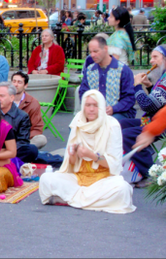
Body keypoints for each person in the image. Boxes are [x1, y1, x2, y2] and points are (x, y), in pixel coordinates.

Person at [39, 90, 136, 214]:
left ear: (101, 107)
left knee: (122, 189)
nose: (91, 109)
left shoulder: (112, 125)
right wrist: (73, 154)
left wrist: (92, 156)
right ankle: (89, 201)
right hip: (78, 179)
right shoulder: (78, 122)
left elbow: (115, 165)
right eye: (88, 105)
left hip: (102, 180)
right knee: (46, 179)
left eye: (95, 105)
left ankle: (69, 200)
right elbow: (71, 164)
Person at [119, 45, 166, 187]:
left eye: (155, 57)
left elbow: (147, 105)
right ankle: (137, 164)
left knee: (126, 134)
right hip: (154, 119)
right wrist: (150, 86)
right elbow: (159, 102)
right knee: (119, 125)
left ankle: (150, 173)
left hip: (160, 123)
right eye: (151, 57)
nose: (151, 60)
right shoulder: (162, 77)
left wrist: (137, 86)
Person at [79, 37, 136, 121]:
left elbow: (129, 97)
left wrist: (114, 108)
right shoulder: (89, 70)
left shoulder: (123, 70)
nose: (92, 55)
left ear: (105, 49)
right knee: (76, 126)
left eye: (95, 51)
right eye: (90, 52)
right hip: (94, 112)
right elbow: (83, 93)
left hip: (119, 112)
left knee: (108, 125)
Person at [0, 82, 38, 163]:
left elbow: (22, 141)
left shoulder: (22, 116)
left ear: (12, 98)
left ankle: (6, 161)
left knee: (31, 150)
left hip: (12, 150)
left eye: (2, 96)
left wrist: (7, 151)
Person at [11, 72, 47, 149]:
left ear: (25, 85)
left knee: (41, 139)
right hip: (6, 137)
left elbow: (37, 128)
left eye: (19, 82)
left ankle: (16, 150)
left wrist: (22, 138)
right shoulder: (4, 99)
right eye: (14, 81)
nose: (15, 85)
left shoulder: (33, 102)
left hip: (24, 138)